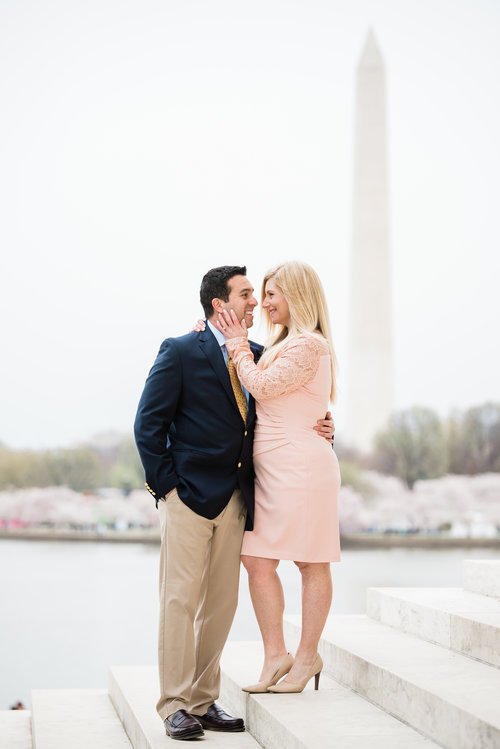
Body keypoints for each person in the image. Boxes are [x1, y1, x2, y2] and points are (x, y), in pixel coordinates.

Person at [134, 265, 334, 740]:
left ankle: (204, 701)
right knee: (180, 601)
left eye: (260, 294)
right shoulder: (181, 350)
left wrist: (325, 428)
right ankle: (175, 703)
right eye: (247, 294)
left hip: (240, 500)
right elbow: (148, 423)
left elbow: (290, 408)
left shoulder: (260, 357)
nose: (256, 303)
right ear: (219, 305)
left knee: (221, 605)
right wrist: (168, 488)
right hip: (188, 497)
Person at [215, 260, 341, 694]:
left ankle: (307, 658)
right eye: (262, 294)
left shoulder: (309, 345)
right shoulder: (284, 344)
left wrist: (236, 345)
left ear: (297, 295)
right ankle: (276, 655)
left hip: (301, 470)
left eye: (271, 294)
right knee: (256, 559)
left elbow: (263, 388)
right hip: (272, 470)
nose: (264, 303)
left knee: (311, 561)